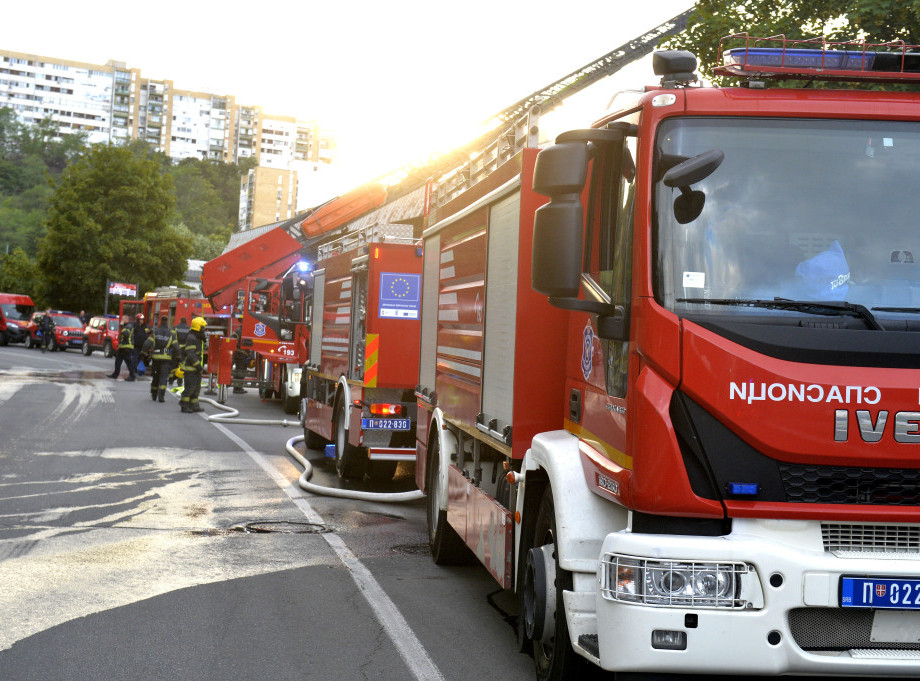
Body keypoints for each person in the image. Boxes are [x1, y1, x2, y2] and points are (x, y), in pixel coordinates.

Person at [142, 316, 174, 402]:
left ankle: (154, 394)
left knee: (155, 376)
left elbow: (147, 343)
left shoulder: (156, 332)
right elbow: (176, 347)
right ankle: (161, 396)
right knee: (164, 377)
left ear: (160, 322)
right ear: (167, 322)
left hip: (156, 359)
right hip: (166, 360)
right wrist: (177, 358)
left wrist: (143, 352)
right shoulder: (171, 334)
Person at [179, 316, 207, 413]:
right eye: (203, 327)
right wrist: (198, 366)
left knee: (196, 388)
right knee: (190, 388)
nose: (204, 330)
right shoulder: (191, 338)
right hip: (191, 368)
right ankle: (184, 405)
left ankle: (194, 405)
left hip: (195, 368)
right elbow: (191, 354)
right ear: (199, 327)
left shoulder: (197, 337)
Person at [132, 313, 151, 378]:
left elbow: (151, 330)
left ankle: (140, 369)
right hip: (136, 345)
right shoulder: (135, 326)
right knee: (135, 357)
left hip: (143, 346)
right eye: (141, 319)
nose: (142, 320)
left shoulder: (145, 326)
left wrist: (149, 330)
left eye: (143, 319)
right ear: (138, 320)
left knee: (142, 358)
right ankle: (135, 369)